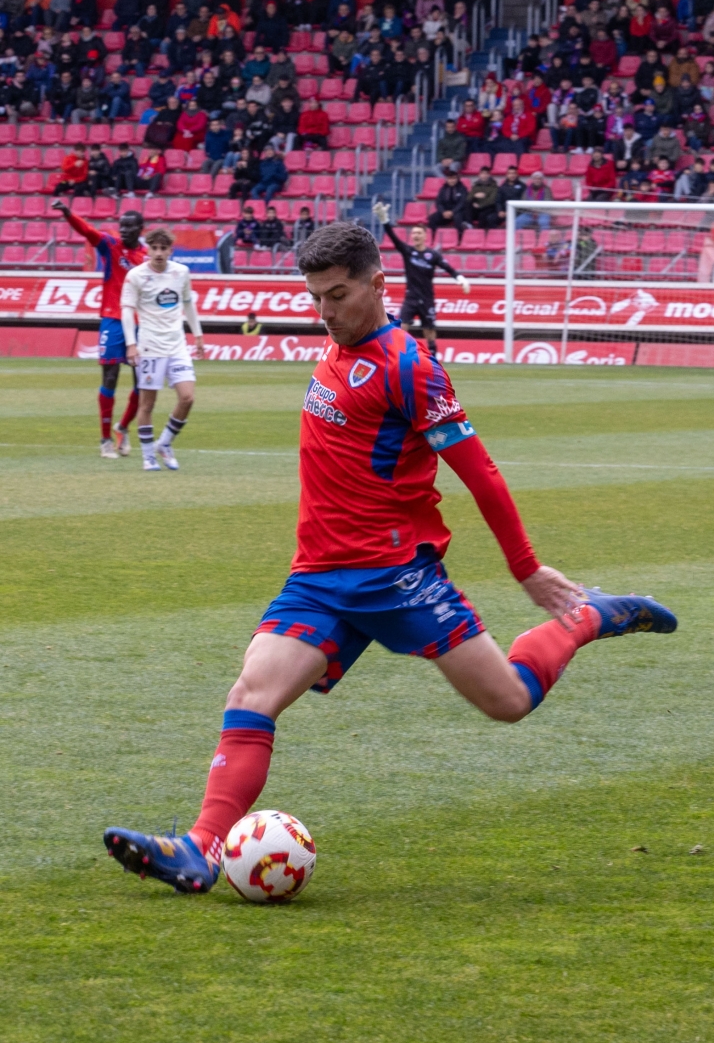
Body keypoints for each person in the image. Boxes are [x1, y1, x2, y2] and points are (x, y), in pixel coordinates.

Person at [104, 219, 677, 893]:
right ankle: (199, 848)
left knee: (510, 700)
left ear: (379, 283)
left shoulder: (411, 368)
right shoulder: (334, 344)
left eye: (338, 295)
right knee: (251, 693)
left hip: (396, 576)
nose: (325, 311)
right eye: (316, 296)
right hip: (318, 575)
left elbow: (481, 472)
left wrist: (527, 569)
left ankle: (585, 618)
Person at [52, 200, 145, 458]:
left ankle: (123, 427)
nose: (123, 231)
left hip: (140, 323)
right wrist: (68, 213)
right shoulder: (111, 245)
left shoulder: (147, 259)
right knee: (110, 377)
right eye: (121, 226)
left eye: (129, 227)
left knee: (142, 383)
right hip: (113, 319)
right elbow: (87, 231)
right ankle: (105, 440)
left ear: (141, 228)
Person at [120, 228, 204, 473]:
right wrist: (131, 344)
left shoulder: (181, 273)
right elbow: (126, 309)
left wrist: (197, 335)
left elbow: (188, 304)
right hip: (149, 347)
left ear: (170, 250)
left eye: (163, 248)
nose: (158, 253)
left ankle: (164, 444)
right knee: (147, 404)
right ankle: (148, 456)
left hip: (177, 345)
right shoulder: (135, 276)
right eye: (154, 248)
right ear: (148, 249)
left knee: (187, 397)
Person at [373, 202, 470, 356]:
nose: (416, 236)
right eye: (414, 233)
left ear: (425, 236)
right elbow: (393, 238)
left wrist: (460, 278)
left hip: (427, 298)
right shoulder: (408, 252)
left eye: (419, 233)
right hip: (411, 297)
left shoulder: (432, 255)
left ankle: (434, 358)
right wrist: (385, 221)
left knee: (429, 331)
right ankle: (397, 356)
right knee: (401, 326)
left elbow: (447, 268)